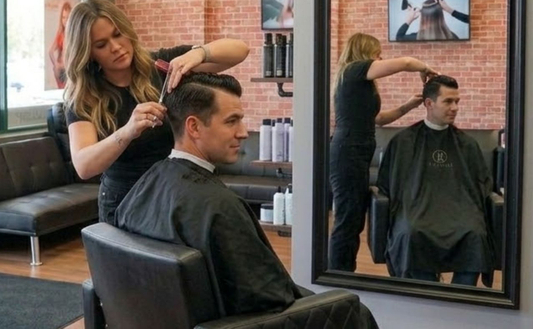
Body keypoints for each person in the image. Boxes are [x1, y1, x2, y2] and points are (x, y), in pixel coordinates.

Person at [116, 73, 379, 328]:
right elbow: (269, 299)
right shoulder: (219, 207)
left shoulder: (145, 184)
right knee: (355, 311)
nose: (243, 132)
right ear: (194, 126)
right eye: (232, 121)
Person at [63, 0, 249, 224]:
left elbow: (240, 50)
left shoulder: (163, 66)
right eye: (101, 45)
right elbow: (84, 166)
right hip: (125, 203)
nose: (116, 47)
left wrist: (198, 54)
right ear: (87, 52)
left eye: (118, 34)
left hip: (179, 192)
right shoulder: (85, 98)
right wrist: (127, 131)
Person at [329, 33, 437, 272]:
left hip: (355, 154)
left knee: (354, 219)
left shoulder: (358, 82)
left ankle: (344, 272)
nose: (381, 57)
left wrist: (409, 104)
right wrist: (425, 68)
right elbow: (407, 63)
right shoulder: (354, 69)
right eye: (377, 52)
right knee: (347, 221)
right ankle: (338, 276)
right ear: (365, 51)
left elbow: (378, 119)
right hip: (347, 154)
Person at [377, 75, 495, 286]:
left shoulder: (467, 145)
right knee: (409, 233)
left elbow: (482, 185)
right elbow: (388, 185)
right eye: (448, 101)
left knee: (475, 234)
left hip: (460, 212)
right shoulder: (403, 142)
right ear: (429, 104)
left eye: (457, 101)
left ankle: (461, 297)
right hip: (416, 211)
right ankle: (429, 294)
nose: (455, 108)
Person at [396, 0, 469, 41]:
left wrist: (409, 20)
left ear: (423, 18)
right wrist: (449, 9)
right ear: (440, 16)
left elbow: (399, 37)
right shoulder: (452, 36)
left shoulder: (417, 38)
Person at [48, 1, 72, 89]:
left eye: (68, 17)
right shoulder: (61, 35)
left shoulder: (71, 35)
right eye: (63, 17)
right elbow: (50, 51)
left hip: (68, 69)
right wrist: (57, 64)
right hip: (63, 69)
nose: (65, 21)